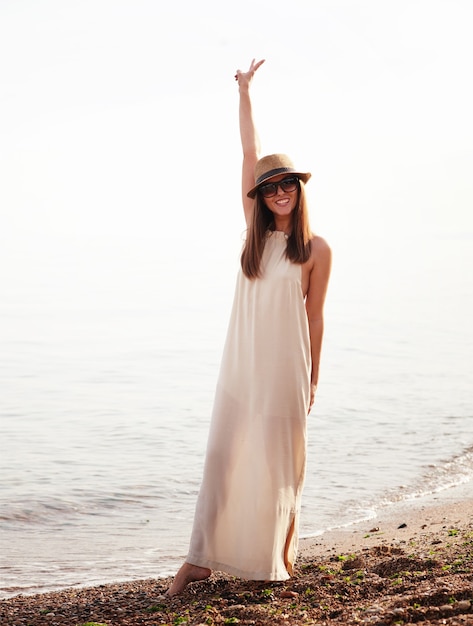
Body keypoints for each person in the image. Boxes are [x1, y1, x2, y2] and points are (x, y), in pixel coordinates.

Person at [167, 58, 331, 596]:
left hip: (287, 369)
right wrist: (244, 91)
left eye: (287, 184)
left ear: (298, 190)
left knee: (279, 462)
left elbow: (315, 316)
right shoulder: (255, 238)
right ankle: (199, 559)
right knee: (223, 456)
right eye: (270, 187)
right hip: (241, 368)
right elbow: (247, 150)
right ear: (259, 196)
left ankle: (275, 557)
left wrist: (312, 380)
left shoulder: (317, 250)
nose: (279, 191)